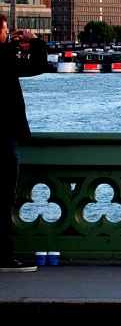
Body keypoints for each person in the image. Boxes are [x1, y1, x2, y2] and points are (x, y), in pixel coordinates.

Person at [1, 14, 47, 272]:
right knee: (5, 200)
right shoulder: (6, 58)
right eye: (5, 31)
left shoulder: (6, 55)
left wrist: (11, 46)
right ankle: (4, 257)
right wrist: (35, 41)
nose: (7, 34)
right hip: (5, 137)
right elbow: (37, 65)